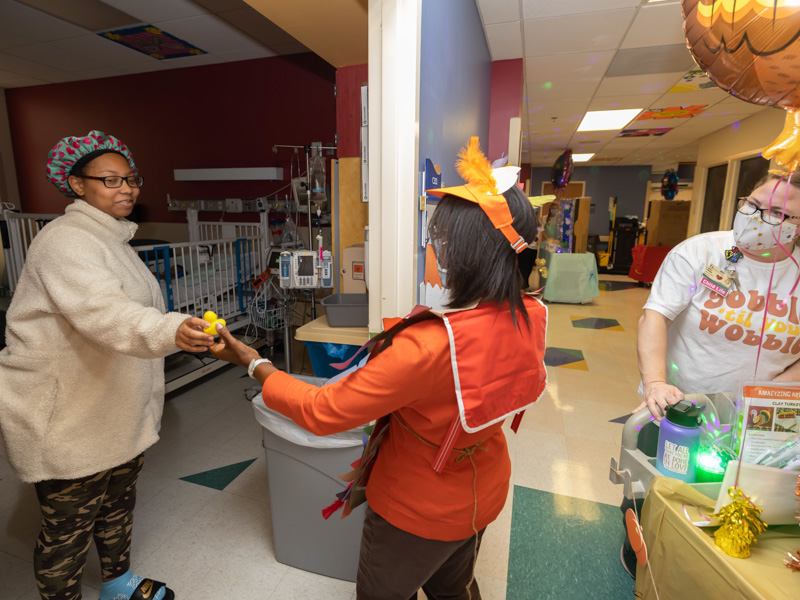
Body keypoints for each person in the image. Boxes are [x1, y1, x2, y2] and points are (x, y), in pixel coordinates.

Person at [209, 137, 548, 600]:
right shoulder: (530, 314)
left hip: (418, 510)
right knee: (456, 585)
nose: (438, 248)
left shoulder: (427, 347)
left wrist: (254, 362)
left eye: (442, 237)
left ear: (465, 250)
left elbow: (323, 411)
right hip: (482, 491)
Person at [0, 130, 215, 600]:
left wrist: (166, 327)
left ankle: (117, 583)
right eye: (111, 180)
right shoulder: (65, 243)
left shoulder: (113, 240)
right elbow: (103, 312)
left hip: (110, 405)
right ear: (77, 185)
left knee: (117, 504)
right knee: (67, 533)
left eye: (131, 179)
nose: (127, 189)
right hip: (68, 415)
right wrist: (168, 330)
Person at [620, 170, 800, 577]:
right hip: (679, 406)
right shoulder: (701, 253)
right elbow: (655, 317)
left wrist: (768, 400)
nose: (759, 217)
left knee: (738, 501)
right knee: (655, 491)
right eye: (754, 205)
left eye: (779, 213)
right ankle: (640, 558)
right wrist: (655, 383)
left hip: (759, 419)